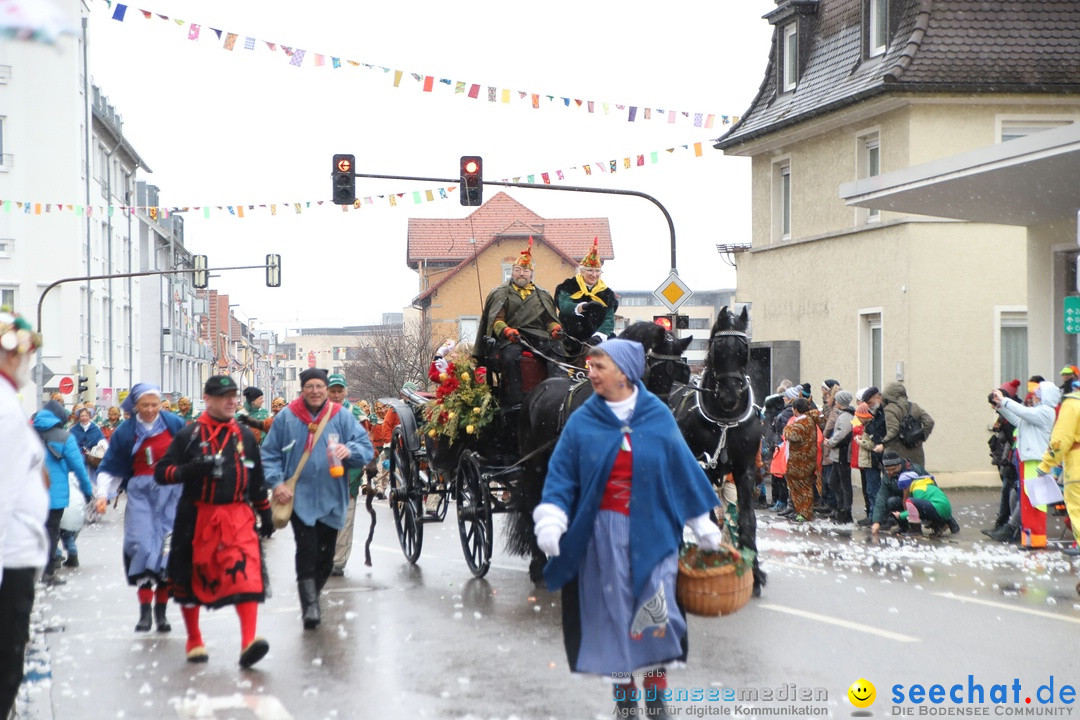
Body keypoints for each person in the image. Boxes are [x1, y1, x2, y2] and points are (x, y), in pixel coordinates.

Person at [531, 339, 722, 719]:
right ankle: (624, 699)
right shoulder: (584, 420)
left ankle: (655, 695)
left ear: (624, 370)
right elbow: (563, 473)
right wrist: (552, 517)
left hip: (655, 527)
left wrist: (702, 522)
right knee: (613, 614)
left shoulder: (657, 415)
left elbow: (682, 469)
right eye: (590, 365)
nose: (591, 372)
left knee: (656, 609)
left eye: (599, 365)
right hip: (603, 532)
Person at [155, 375, 274, 667]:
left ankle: (249, 641)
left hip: (237, 515)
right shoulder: (189, 435)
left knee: (246, 572)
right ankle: (194, 639)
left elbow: (256, 477)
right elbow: (162, 472)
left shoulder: (245, 436)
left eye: (234, 395)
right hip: (198, 515)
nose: (232, 401)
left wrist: (265, 511)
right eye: (224, 396)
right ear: (207, 399)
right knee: (192, 577)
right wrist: (191, 469)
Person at [261, 368, 373, 629]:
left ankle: (314, 590)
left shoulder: (341, 416)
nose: (315, 391)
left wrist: (351, 450)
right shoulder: (287, 417)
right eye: (309, 386)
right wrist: (277, 484)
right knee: (307, 548)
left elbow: (365, 447)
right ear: (302, 389)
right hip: (298, 497)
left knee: (326, 557)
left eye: (319, 386)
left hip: (333, 495)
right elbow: (269, 454)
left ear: (326, 389)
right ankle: (310, 606)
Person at [97, 383, 187, 632]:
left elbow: (191, 456)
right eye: (144, 405)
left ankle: (161, 613)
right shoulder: (126, 432)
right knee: (141, 547)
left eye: (154, 405)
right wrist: (103, 494)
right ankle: (144, 611)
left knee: (167, 552)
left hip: (172, 492)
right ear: (135, 406)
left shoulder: (174, 424)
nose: (150, 410)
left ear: (161, 404)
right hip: (141, 494)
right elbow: (111, 465)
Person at [0, 309, 48, 720]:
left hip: (14, 550)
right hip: (9, 557)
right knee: (6, 664)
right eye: (26, 355)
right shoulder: (4, 409)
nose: (28, 364)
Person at [475, 237, 562, 407]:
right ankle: (515, 400)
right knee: (509, 357)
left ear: (531, 274)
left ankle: (555, 394)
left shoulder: (542, 294)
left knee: (557, 350)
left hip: (539, 337)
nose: (521, 273)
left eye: (525, 270)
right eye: (518, 269)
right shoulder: (501, 293)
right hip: (513, 338)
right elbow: (496, 320)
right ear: (512, 272)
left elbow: (549, 320)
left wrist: (555, 328)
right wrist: (507, 331)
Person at [988, 381, 1059, 544]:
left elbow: (1022, 412)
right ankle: (1030, 540)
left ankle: (1036, 540)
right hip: (1028, 460)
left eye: (1037, 395)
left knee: (1034, 503)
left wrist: (1004, 400)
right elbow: (1017, 418)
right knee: (1027, 502)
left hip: (1035, 461)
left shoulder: (1045, 412)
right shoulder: (1037, 412)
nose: (1034, 397)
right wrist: (1001, 406)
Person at [33, 400, 94, 586]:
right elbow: (79, 468)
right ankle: (49, 573)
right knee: (51, 532)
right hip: (54, 495)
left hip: (29, 495)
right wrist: (88, 492)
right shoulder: (65, 437)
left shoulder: (27, 434)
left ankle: (29, 573)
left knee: (31, 533)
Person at [326, 373, 370, 577]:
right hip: (323, 470)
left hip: (349, 470)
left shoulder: (355, 412)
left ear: (345, 391)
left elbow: (366, 441)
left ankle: (337, 561)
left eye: (339, 391)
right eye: (332, 391)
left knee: (345, 516)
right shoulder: (318, 411)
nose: (336, 395)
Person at [1039, 380, 1080, 560]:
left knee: (1077, 505)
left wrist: (1046, 464)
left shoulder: (1072, 405)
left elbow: (1061, 439)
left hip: (1077, 465)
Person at [554, 237, 618, 345]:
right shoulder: (568, 285)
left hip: (597, 338)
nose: (594, 275)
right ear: (582, 271)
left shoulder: (607, 294)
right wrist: (581, 307)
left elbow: (609, 319)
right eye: (590, 270)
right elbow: (564, 305)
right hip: (570, 333)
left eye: (597, 271)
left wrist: (599, 335)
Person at [870, 451, 928, 537]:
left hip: (920, 499)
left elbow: (932, 490)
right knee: (891, 501)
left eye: (893, 469)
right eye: (888, 470)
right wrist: (876, 522)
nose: (890, 472)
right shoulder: (888, 476)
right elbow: (881, 497)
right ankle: (904, 527)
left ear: (899, 465)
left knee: (916, 503)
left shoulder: (915, 470)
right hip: (903, 501)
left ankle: (918, 527)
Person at [782, 398, 821, 522]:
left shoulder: (802, 423)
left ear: (796, 409)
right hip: (805, 460)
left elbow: (793, 436)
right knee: (802, 488)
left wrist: (786, 429)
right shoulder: (808, 420)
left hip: (800, 462)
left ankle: (804, 513)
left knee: (802, 489)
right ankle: (801, 511)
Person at [880, 381, 934, 466]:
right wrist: (920, 436)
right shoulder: (914, 406)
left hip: (896, 454)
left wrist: (883, 444)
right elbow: (929, 422)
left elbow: (893, 430)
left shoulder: (890, 409)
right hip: (916, 453)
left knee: (893, 478)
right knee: (916, 478)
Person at [893, 471, 960, 538]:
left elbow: (916, 509)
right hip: (943, 511)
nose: (904, 491)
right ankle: (939, 526)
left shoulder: (918, 489)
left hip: (938, 509)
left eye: (905, 488)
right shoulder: (924, 486)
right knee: (920, 508)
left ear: (909, 485)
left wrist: (900, 515)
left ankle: (916, 532)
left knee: (910, 501)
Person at [825, 390, 855, 524]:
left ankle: (845, 510)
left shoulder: (845, 417)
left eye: (836, 400)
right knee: (835, 483)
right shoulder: (844, 415)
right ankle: (842, 508)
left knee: (842, 483)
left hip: (842, 455)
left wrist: (829, 442)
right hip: (839, 455)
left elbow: (840, 435)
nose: (834, 401)